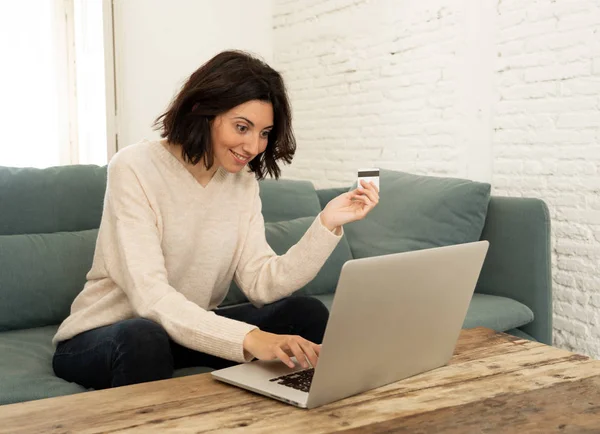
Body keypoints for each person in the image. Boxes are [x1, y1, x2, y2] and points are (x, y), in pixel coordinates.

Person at [52, 50, 379, 390]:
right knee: (142, 336)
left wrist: (327, 223)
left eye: (264, 133)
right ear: (204, 112)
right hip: (108, 335)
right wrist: (250, 338)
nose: (253, 146)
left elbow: (261, 283)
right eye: (242, 127)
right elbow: (149, 297)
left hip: (185, 332)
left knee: (305, 314)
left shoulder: (241, 182)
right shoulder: (133, 167)